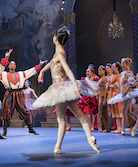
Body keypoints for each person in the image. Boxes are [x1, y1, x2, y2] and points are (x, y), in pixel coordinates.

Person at [32, 26, 100, 154]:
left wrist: (75, 85)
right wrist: (42, 71)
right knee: (79, 115)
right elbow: (51, 62)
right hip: (64, 89)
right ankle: (90, 138)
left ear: (56, 39)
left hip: (60, 88)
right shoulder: (59, 52)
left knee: (61, 118)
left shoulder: (60, 54)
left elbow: (68, 69)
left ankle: (57, 147)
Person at [0, 58, 47, 136]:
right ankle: (4, 130)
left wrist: (40, 65)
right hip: (9, 94)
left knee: (24, 111)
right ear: (8, 66)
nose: (13, 65)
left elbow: (31, 71)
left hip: (19, 94)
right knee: (6, 111)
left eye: (14, 64)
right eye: (11, 64)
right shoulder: (4, 74)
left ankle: (30, 128)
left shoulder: (21, 74)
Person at [108, 58, 138, 135]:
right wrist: (118, 92)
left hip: (128, 93)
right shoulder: (123, 73)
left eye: (122, 63)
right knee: (129, 112)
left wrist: (126, 90)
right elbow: (121, 85)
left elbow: (130, 84)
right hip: (123, 92)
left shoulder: (130, 73)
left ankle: (123, 129)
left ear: (127, 64)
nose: (121, 65)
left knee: (124, 110)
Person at [78, 66, 99, 131]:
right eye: (86, 71)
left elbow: (97, 88)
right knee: (88, 112)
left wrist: (97, 94)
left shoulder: (95, 79)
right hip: (86, 96)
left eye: (88, 71)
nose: (87, 73)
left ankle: (92, 125)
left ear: (92, 72)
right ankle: (89, 125)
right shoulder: (85, 79)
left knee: (92, 112)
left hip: (92, 96)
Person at [106, 62, 123, 133]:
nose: (112, 68)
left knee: (118, 110)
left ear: (116, 68)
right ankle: (118, 127)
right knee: (115, 110)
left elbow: (118, 85)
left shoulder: (118, 76)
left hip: (116, 93)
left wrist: (110, 86)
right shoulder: (113, 76)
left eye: (113, 67)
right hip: (112, 93)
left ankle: (120, 127)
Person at [97, 65, 110, 132]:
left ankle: (106, 128)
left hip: (103, 96)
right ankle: (103, 127)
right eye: (98, 70)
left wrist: (105, 99)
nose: (99, 71)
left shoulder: (105, 79)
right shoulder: (100, 79)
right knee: (100, 112)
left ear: (104, 71)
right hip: (100, 96)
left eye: (100, 70)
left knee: (104, 112)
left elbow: (105, 89)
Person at [105, 63, 117, 130]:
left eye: (108, 68)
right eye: (106, 68)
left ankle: (116, 124)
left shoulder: (113, 76)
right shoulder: (108, 77)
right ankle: (114, 124)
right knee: (111, 110)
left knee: (114, 109)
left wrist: (109, 85)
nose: (107, 70)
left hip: (113, 92)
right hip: (109, 93)